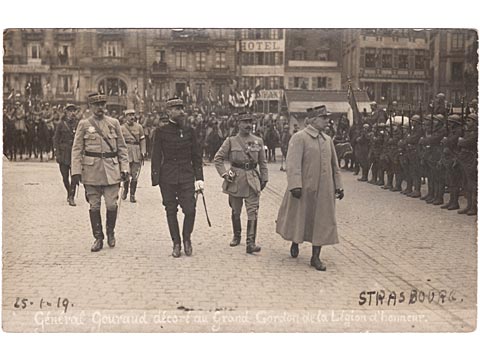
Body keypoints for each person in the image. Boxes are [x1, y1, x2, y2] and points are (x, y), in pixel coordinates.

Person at [276, 105, 344, 271]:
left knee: (322, 222)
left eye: (328, 118)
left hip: (324, 191)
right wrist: (295, 185)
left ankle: (315, 257)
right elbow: (293, 164)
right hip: (305, 189)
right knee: (300, 219)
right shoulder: (299, 138)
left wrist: (339, 185)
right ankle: (295, 241)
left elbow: (335, 165)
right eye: (324, 118)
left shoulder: (327, 140)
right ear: (313, 120)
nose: (328, 121)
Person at [71, 93, 129, 252]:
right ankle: (98, 237)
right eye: (96, 105)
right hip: (91, 171)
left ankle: (110, 232)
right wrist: (76, 172)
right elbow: (77, 149)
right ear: (90, 107)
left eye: (102, 105)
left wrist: (125, 168)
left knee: (111, 205)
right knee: (94, 206)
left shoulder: (114, 123)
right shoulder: (84, 124)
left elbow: (122, 148)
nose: (100, 108)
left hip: (111, 170)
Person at [151, 97, 204, 258]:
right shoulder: (160, 132)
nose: (181, 111)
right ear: (169, 112)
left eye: (182, 108)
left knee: (190, 209)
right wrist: (156, 178)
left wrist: (199, 178)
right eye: (177, 108)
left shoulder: (190, 131)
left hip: (187, 176)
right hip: (167, 177)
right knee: (171, 210)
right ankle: (176, 243)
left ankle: (187, 238)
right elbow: (155, 156)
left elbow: (196, 156)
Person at [214, 112, 268, 253]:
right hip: (236, 180)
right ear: (238, 124)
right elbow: (218, 158)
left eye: (250, 122)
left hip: (252, 179)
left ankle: (250, 243)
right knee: (235, 211)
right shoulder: (231, 141)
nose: (248, 125)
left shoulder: (258, 141)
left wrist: (265, 177)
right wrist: (224, 174)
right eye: (244, 122)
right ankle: (236, 236)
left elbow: (262, 162)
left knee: (253, 211)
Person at [54, 103, 79, 206]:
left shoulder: (78, 124)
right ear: (66, 112)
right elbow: (56, 139)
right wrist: (57, 153)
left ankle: (72, 196)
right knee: (65, 177)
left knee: (74, 176)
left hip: (74, 153)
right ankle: (69, 192)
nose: (72, 113)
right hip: (63, 153)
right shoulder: (61, 124)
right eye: (70, 111)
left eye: (73, 111)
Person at [121, 109, 147, 203]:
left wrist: (143, 151)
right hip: (126, 152)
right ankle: (125, 191)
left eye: (133, 115)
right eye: (129, 115)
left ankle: (132, 195)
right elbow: (119, 142)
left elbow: (142, 140)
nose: (132, 117)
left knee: (135, 175)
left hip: (136, 152)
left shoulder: (139, 127)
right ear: (125, 117)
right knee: (126, 174)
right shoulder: (122, 128)